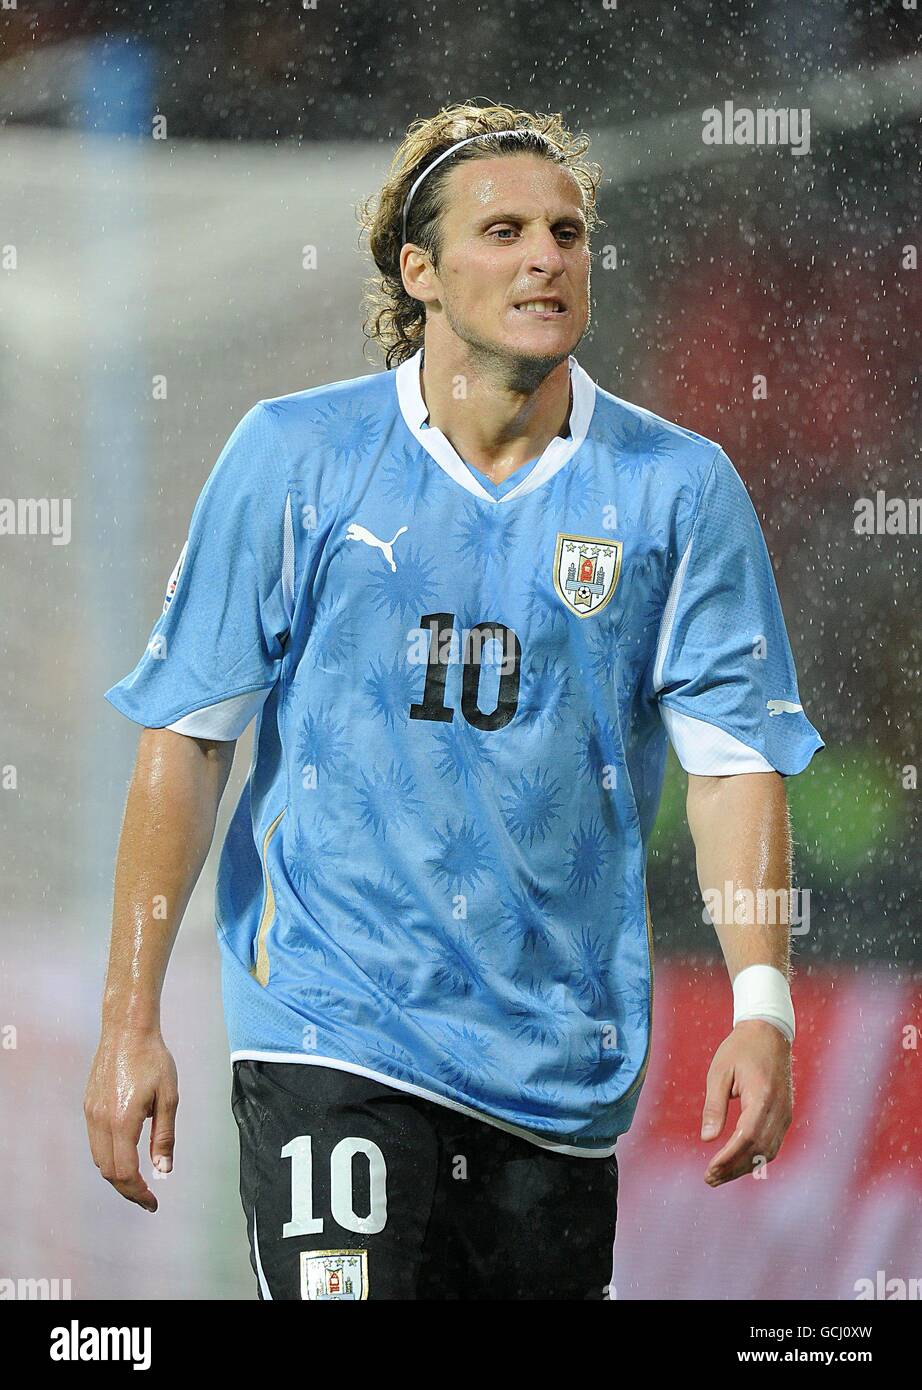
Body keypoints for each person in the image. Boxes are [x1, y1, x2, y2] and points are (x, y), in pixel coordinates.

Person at [85, 100, 824, 1301]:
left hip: (555, 1062)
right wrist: (131, 1020)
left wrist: (763, 1005)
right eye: (505, 231)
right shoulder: (296, 458)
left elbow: (734, 761)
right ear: (418, 271)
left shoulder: (677, 489)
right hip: (332, 1025)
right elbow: (189, 741)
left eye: (568, 231)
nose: (547, 256)